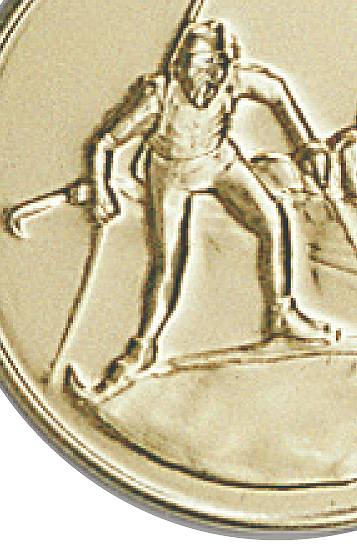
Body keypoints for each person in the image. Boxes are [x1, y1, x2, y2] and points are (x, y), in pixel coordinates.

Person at [89, 19, 340, 393]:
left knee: (272, 220)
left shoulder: (233, 81)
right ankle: (142, 348)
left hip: (218, 160)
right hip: (170, 172)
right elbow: (105, 143)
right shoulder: (159, 96)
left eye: (209, 66)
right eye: (193, 64)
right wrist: (101, 189)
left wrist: (307, 145)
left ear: (223, 66)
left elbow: (276, 93)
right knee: (168, 262)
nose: (201, 76)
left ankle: (281, 314)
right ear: (180, 64)